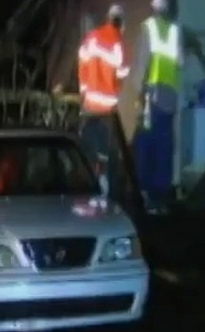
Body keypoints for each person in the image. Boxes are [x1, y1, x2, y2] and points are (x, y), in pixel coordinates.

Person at [132, 0, 182, 212]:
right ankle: (161, 195)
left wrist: (138, 92)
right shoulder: (174, 31)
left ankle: (144, 194)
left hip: (152, 95)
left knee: (145, 143)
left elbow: (143, 61)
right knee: (164, 145)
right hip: (170, 98)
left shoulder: (148, 28)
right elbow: (180, 62)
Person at [77, 3, 130, 198]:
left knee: (90, 148)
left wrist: (84, 92)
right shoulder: (118, 42)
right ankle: (107, 191)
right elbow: (123, 71)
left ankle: (89, 184)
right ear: (121, 23)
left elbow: (82, 64)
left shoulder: (91, 38)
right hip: (107, 108)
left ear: (108, 19)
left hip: (90, 105)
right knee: (109, 153)